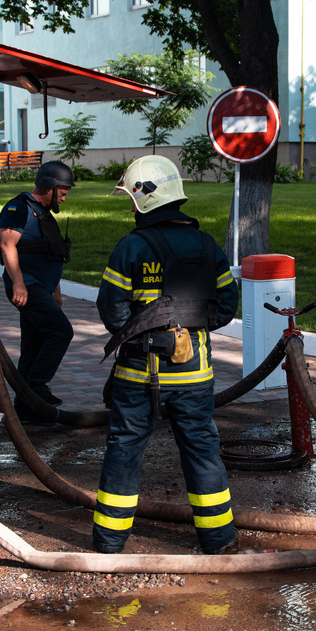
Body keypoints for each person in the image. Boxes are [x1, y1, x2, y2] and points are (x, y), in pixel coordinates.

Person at [93, 155, 240, 555]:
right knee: (203, 452)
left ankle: (109, 544)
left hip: (139, 377)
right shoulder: (207, 245)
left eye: (130, 197)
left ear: (143, 199)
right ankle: (219, 540)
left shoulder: (131, 248)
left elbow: (112, 314)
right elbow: (226, 307)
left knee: (124, 452)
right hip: (195, 376)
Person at [0, 161, 76, 420]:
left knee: (33, 344)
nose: (64, 198)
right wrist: (18, 283)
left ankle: (26, 408)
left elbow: (51, 254)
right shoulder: (18, 208)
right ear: (50, 187)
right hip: (27, 286)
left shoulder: (44, 214)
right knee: (61, 331)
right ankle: (37, 386)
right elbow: (7, 245)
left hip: (41, 286)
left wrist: (57, 290)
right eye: (63, 192)